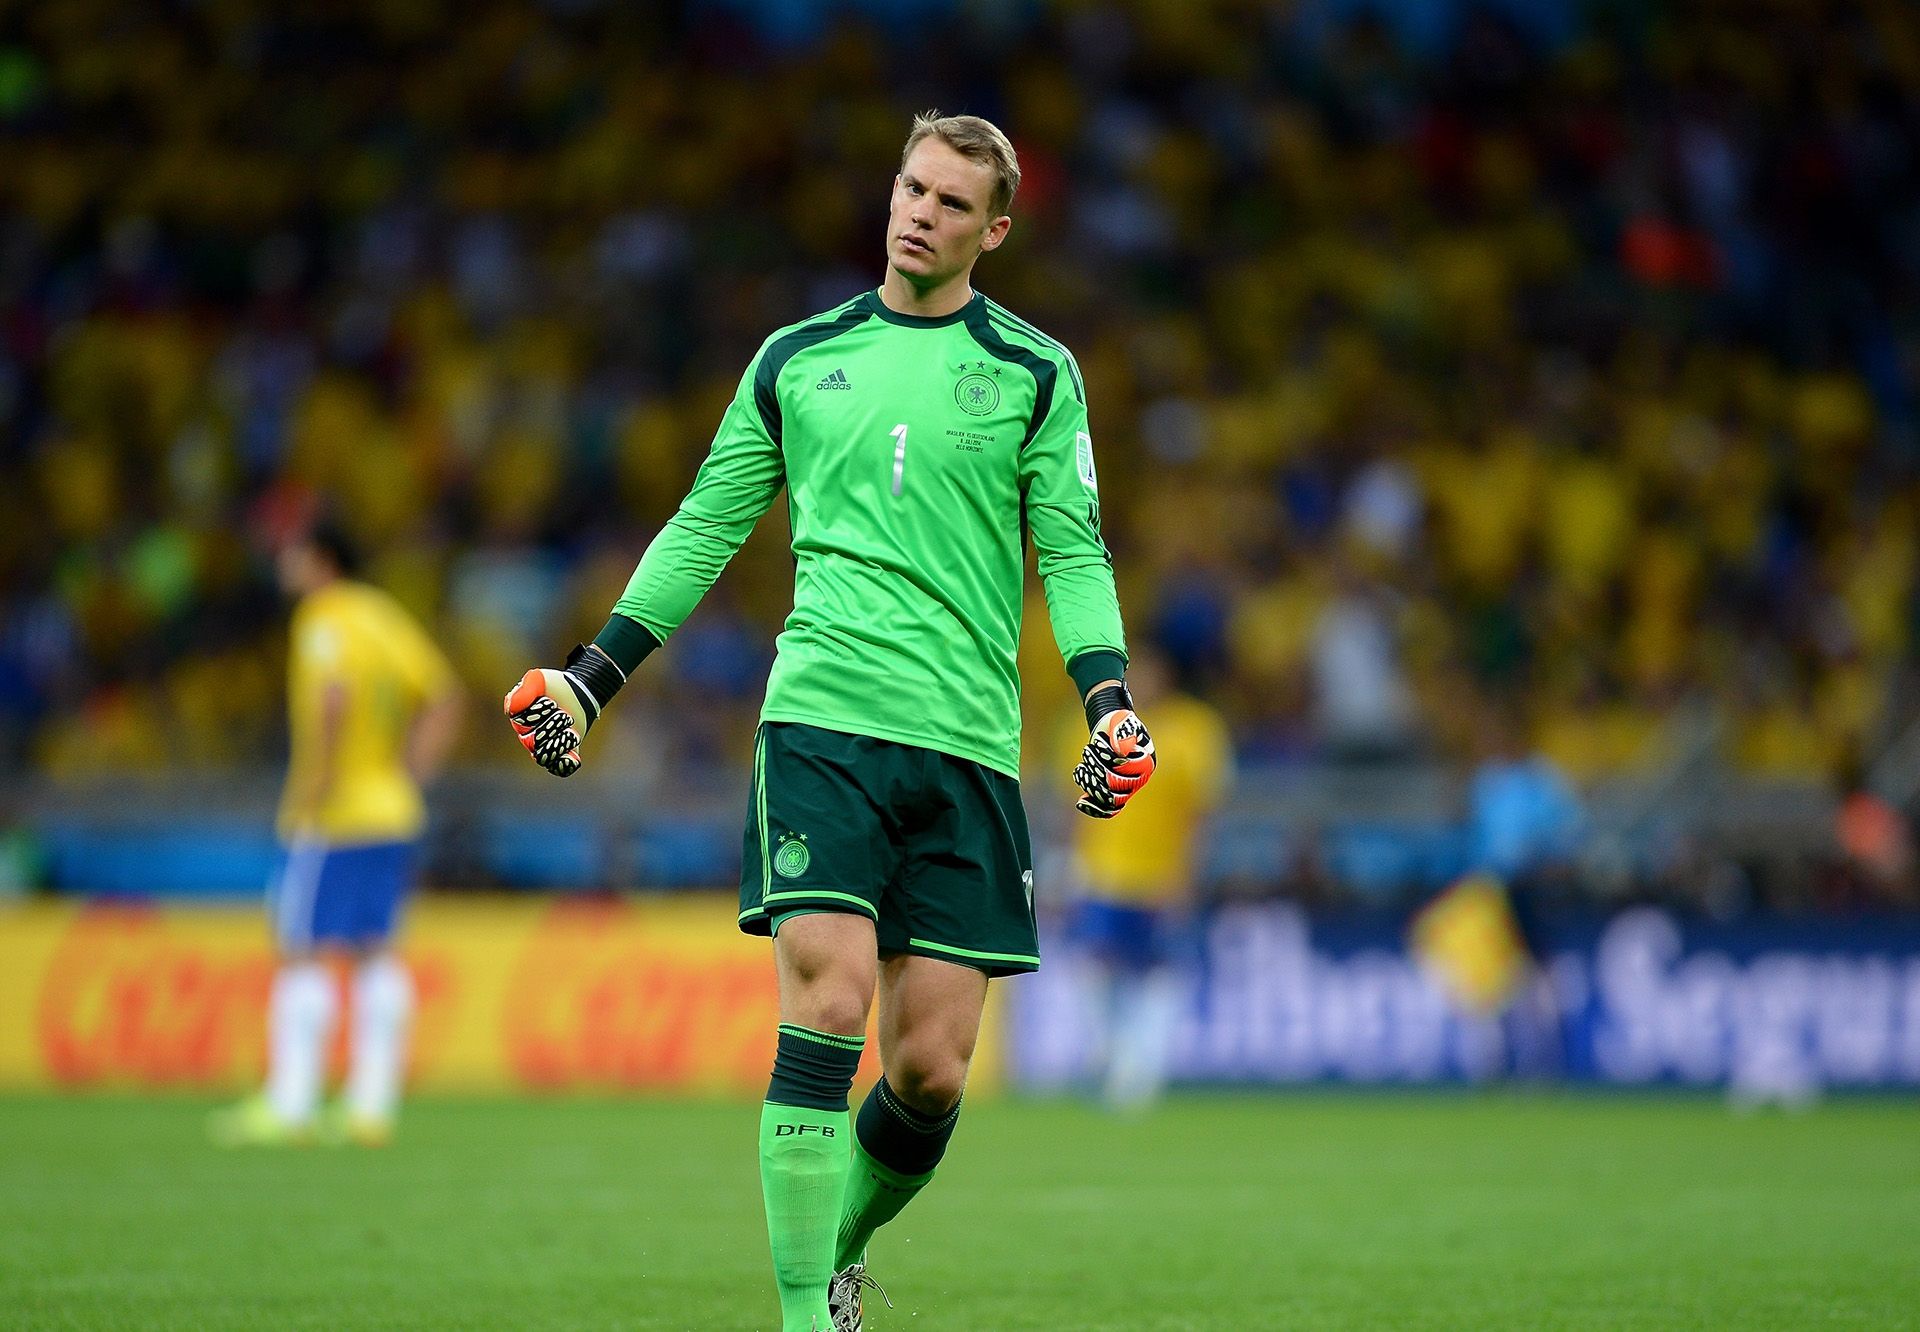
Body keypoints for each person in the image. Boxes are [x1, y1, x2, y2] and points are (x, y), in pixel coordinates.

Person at [504, 112, 1156, 1332]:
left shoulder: (1034, 373)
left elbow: (1073, 553)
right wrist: (591, 680)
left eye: (952, 203)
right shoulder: (798, 358)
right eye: (911, 188)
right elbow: (705, 527)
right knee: (830, 999)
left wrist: (1109, 704)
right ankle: (807, 1317)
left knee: (931, 1072)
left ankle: (839, 1249)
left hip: (967, 745)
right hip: (822, 723)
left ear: (994, 232)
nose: (920, 213)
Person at [211, 520, 462, 1147]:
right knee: (376, 950)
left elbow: (333, 696)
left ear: (321, 560)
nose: (283, 561)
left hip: (335, 815)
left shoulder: (322, 619)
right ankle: (369, 1108)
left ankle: (290, 1104)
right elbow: (444, 697)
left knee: (301, 947)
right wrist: (410, 772)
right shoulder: (381, 615)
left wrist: (318, 784)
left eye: (293, 551)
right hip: (391, 809)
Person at [1056, 644, 1231, 1110]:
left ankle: (1141, 1069)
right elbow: (1074, 803)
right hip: (1102, 873)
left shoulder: (1194, 730)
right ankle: (1107, 1053)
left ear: (1167, 675)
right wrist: (1069, 864)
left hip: (1159, 877)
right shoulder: (1090, 724)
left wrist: (1185, 874)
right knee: (1094, 967)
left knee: (1156, 974)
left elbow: (1201, 813)